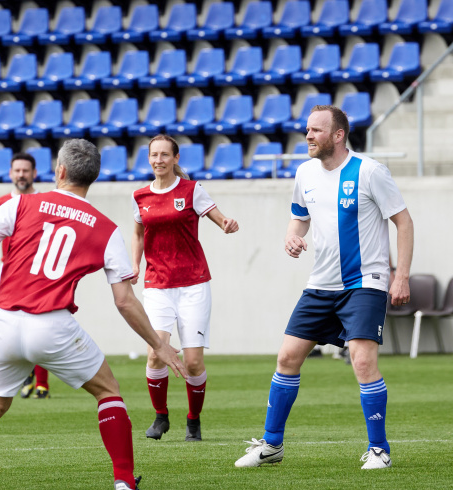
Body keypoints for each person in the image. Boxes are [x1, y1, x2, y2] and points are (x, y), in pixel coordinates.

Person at [0, 139, 187, 490]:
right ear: (92, 177)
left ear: (59, 170)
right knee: (108, 392)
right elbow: (124, 300)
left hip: (5, 322)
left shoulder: (19, 202)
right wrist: (159, 345)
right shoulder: (106, 228)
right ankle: (125, 483)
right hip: (53, 325)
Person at [234, 105, 414, 470]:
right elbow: (299, 219)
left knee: (362, 361)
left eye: (316, 130)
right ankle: (272, 446)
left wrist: (402, 275)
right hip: (320, 284)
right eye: (306, 130)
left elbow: (404, 222)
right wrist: (291, 237)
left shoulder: (369, 172)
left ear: (338, 134)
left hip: (365, 282)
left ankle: (379, 449)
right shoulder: (304, 173)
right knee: (287, 358)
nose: (308, 136)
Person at [131, 134, 239, 442]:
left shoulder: (192, 190)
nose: (159, 160)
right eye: (154, 155)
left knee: (193, 362)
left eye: (165, 154)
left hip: (193, 284)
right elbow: (138, 235)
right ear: (149, 158)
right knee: (155, 353)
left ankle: (193, 420)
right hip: (157, 285)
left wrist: (228, 224)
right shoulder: (140, 196)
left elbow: (220, 219)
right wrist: (135, 265)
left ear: (176, 159)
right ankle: (161, 417)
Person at [0, 153, 50, 400]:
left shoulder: (45, 201)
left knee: (41, 324)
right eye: (17, 170)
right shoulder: (0, 203)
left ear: (34, 173)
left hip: (38, 273)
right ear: (11, 174)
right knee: (9, 325)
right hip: (8, 273)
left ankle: (42, 383)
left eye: (25, 170)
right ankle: (23, 378)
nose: (21, 175)